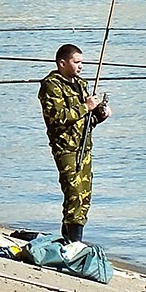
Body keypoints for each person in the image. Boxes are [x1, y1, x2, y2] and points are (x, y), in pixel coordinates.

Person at [38, 44, 112, 242]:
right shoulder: (51, 85)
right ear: (63, 63)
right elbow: (58, 118)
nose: (81, 66)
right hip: (66, 149)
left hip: (84, 147)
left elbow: (86, 121)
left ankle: (72, 239)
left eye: (82, 62)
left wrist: (100, 114)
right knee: (73, 194)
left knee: (84, 197)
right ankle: (73, 242)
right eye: (76, 62)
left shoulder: (81, 84)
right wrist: (86, 106)